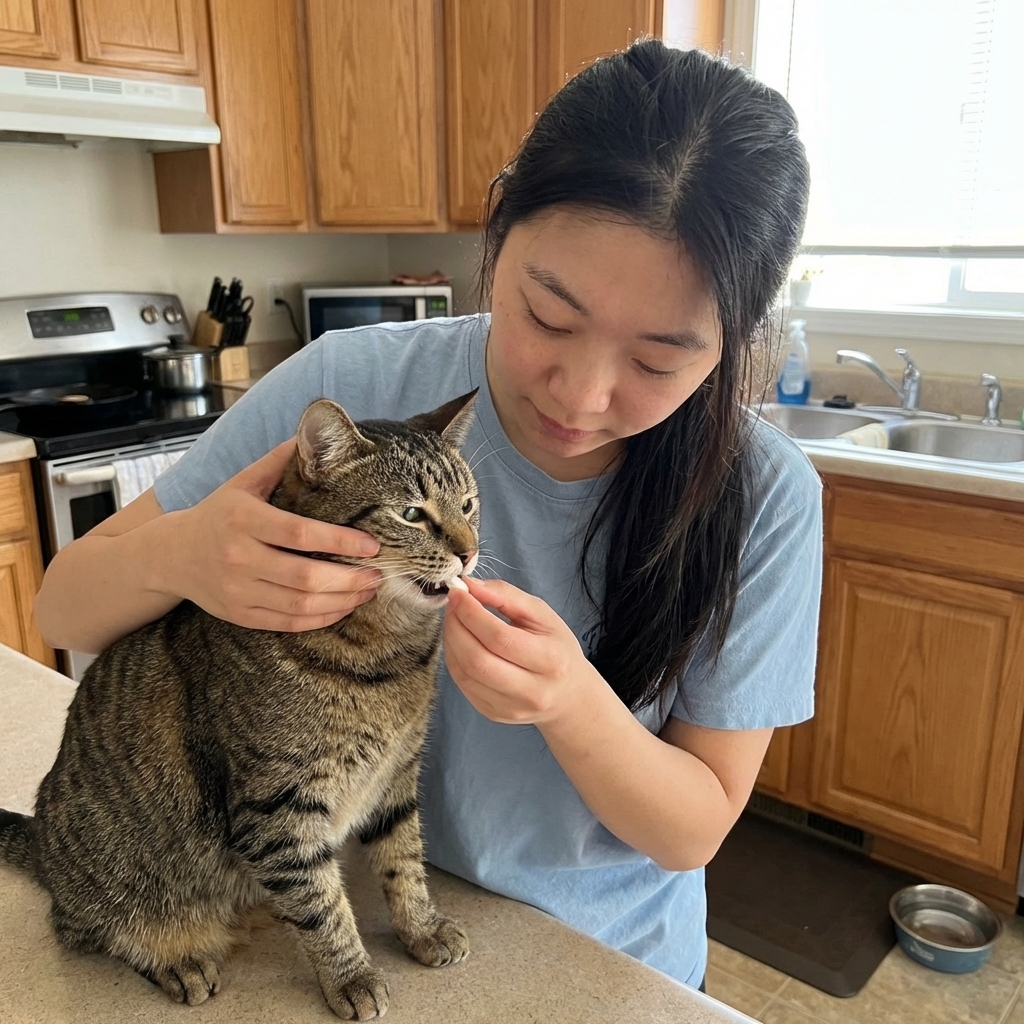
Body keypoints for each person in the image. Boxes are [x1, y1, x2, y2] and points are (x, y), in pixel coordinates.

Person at [35, 40, 820, 991]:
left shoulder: (764, 496)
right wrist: (183, 556)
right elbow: (61, 612)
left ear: (735, 343)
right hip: (348, 922)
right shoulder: (353, 385)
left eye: (659, 361)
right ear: (496, 238)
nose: (582, 393)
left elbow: (693, 829)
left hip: (615, 967)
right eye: (548, 315)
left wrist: (568, 703)